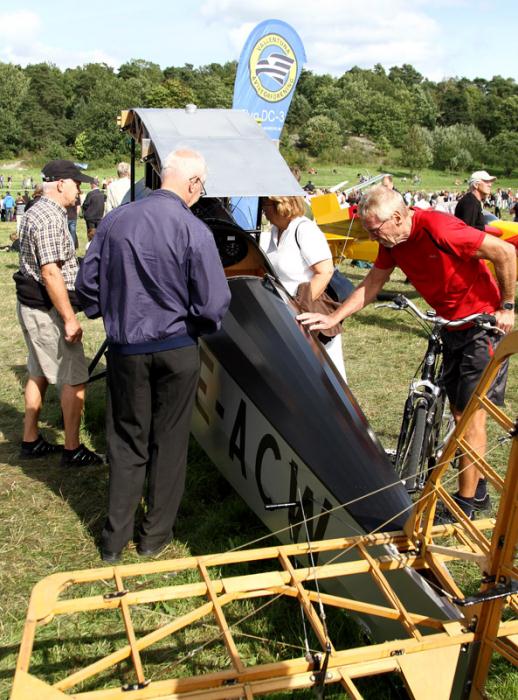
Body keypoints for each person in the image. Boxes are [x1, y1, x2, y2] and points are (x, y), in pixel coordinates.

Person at [298, 186, 516, 521]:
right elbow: (373, 282)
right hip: (451, 327)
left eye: (375, 230)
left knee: (471, 415)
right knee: (459, 412)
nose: (373, 236)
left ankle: (467, 503)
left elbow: (504, 252)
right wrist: (333, 316)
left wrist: (507, 307)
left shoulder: (439, 228)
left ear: (398, 217)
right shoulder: (393, 242)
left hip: (481, 325)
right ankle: (479, 487)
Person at [76, 148, 231, 562]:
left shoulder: (114, 221)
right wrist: (194, 326)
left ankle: (114, 540)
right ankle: (153, 537)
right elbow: (214, 302)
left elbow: (87, 284)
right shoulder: (193, 229)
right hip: (177, 348)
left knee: (126, 440)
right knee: (170, 440)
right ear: (194, 184)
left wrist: (112, 311)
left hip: (127, 348)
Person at [14, 159, 103, 466]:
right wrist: (68, 319)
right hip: (47, 309)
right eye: (76, 184)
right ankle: (73, 448)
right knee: (75, 378)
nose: (79, 190)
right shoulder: (51, 217)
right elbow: (51, 272)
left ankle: (30, 440)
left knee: (37, 372)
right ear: (61, 183)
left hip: (31, 304)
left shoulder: (35, 209)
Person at [260, 196, 347, 381]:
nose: (263, 210)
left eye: (265, 205)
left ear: (280, 205)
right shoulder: (275, 231)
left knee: (322, 376)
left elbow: (325, 271)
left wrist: (298, 308)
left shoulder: (304, 230)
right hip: (284, 312)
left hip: (308, 316)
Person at [81, 178, 105, 244]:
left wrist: (84, 212)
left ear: (93, 184)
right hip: (99, 217)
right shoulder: (102, 194)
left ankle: (90, 246)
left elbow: (85, 204)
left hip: (90, 217)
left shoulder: (90, 194)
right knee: (98, 234)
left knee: (91, 235)